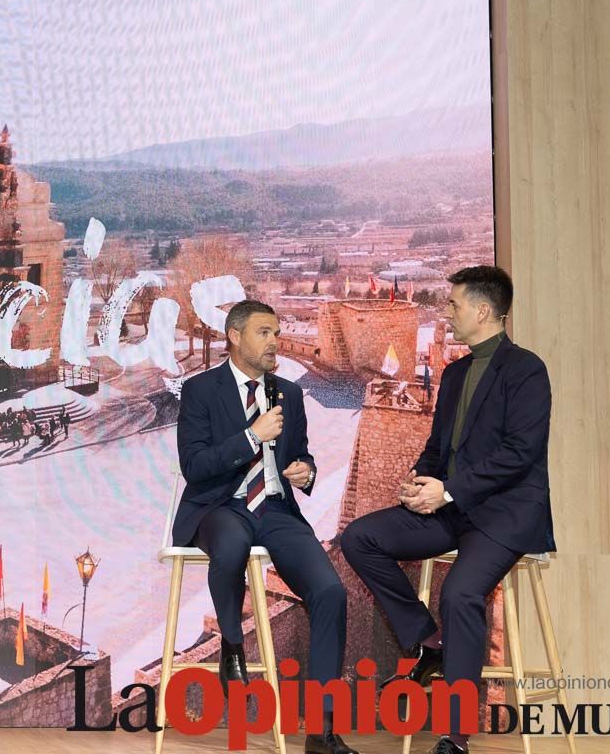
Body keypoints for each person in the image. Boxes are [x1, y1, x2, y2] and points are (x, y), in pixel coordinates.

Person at [340, 266, 555, 754]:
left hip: (503, 515)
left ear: (483, 310)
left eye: (454, 304)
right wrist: (417, 481)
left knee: (459, 592)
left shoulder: (526, 370)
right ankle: (427, 640)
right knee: (360, 538)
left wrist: (449, 490)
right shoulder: (455, 372)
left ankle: (454, 735)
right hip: (449, 510)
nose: (447, 312)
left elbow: (519, 453)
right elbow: (438, 447)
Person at [173, 299, 356, 754]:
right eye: (264, 332)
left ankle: (322, 732)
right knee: (231, 545)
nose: (274, 341)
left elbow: (304, 454)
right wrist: (253, 436)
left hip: (276, 510)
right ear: (234, 336)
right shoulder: (199, 391)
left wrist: (306, 472)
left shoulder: (289, 395)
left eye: (277, 332)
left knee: (330, 592)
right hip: (221, 506)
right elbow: (194, 466)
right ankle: (232, 649)